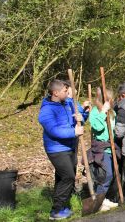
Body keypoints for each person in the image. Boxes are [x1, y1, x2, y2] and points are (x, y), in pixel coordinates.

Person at [38, 80, 84, 220]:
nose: (68, 93)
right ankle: (56, 211)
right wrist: (74, 133)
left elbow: (78, 119)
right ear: (56, 93)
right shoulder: (46, 110)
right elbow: (53, 130)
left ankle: (62, 206)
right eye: (65, 91)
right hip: (56, 149)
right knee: (68, 176)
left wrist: (82, 116)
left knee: (61, 177)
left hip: (70, 146)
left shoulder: (68, 104)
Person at [88, 87, 119, 212]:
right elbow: (98, 127)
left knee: (113, 174)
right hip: (101, 148)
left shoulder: (112, 112)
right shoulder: (95, 112)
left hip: (111, 147)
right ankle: (98, 201)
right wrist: (103, 113)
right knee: (106, 175)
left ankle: (104, 198)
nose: (112, 101)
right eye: (111, 99)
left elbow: (114, 129)